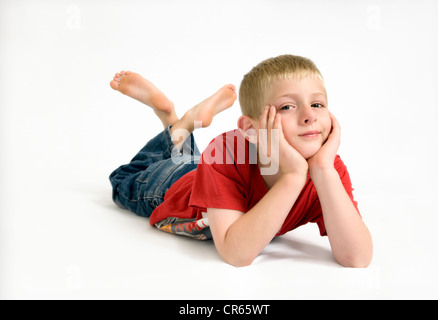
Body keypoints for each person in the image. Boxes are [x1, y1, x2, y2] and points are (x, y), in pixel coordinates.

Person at [109, 55, 373, 268]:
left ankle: (177, 122)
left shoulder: (327, 168)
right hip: (173, 186)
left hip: (208, 171)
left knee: (189, 158)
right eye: (287, 107)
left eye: (317, 104)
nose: (309, 116)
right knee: (126, 180)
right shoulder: (226, 152)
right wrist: (293, 175)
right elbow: (236, 254)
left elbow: (357, 258)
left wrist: (323, 170)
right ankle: (173, 118)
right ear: (250, 128)